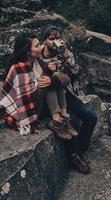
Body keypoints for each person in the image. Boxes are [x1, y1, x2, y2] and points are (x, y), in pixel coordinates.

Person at [38, 24, 97, 174]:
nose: (56, 41)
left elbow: (78, 73)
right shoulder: (38, 56)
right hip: (49, 99)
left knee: (91, 116)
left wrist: (65, 56)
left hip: (67, 94)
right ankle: (74, 158)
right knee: (74, 121)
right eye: (52, 38)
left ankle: (80, 151)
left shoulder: (63, 53)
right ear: (44, 41)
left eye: (58, 37)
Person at [0, 32, 42, 135]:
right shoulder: (19, 68)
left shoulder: (37, 62)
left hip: (38, 102)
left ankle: (59, 117)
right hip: (23, 108)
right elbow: (24, 98)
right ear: (28, 51)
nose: (41, 47)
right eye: (37, 46)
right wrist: (29, 122)